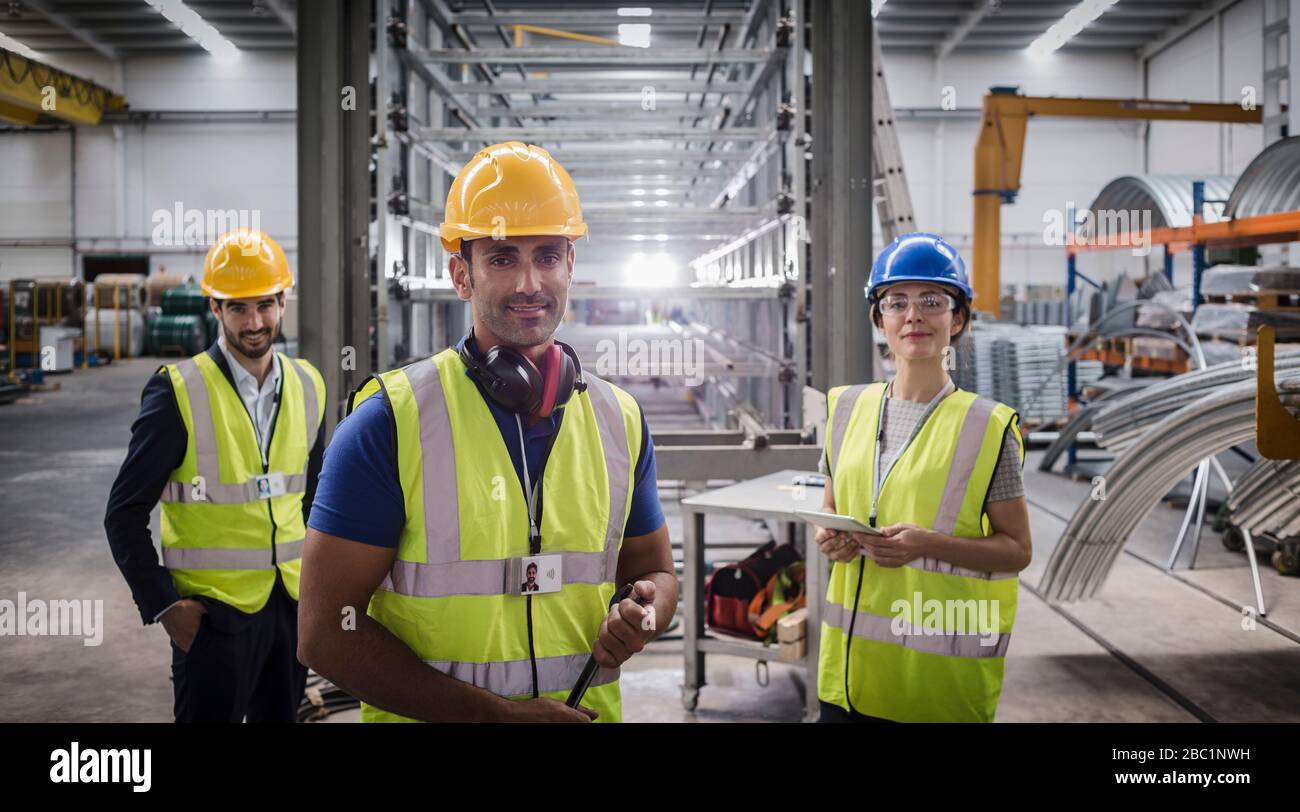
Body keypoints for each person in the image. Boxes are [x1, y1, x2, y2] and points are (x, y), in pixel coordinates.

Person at [298, 141, 677, 723]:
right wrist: (495, 718)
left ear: (570, 264)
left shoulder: (617, 418)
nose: (530, 282)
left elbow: (654, 574)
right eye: (502, 258)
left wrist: (645, 614)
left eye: (548, 255)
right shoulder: (389, 423)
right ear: (461, 274)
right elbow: (326, 634)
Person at [104, 229, 326, 722]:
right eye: (238, 308)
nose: (254, 322)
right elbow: (122, 514)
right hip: (213, 617)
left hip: (288, 609)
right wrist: (167, 608)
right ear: (214, 308)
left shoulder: (310, 385)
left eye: (265, 305)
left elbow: (314, 499)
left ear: (283, 300)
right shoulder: (176, 393)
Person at [815, 232, 1032, 723]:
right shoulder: (846, 407)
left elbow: (1017, 550)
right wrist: (827, 535)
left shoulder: (988, 427)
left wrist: (927, 544)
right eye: (897, 302)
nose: (913, 315)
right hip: (845, 678)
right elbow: (830, 506)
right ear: (879, 319)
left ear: (957, 319)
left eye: (932, 301)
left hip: (938, 687)